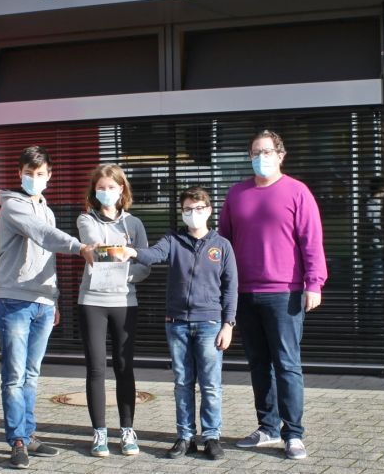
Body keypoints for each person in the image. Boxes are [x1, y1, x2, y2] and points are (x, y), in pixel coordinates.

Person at [218, 129, 327, 461]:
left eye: (266, 151)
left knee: (287, 364)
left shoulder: (297, 191)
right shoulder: (237, 194)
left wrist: (314, 282)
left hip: (285, 293)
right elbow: (223, 243)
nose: (260, 157)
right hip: (245, 292)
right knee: (258, 364)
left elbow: (311, 241)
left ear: (281, 155)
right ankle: (267, 427)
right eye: (255, 152)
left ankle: (293, 434)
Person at [0, 146, 95, 470]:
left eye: (40, 174)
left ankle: (29, 433)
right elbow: (43, 236)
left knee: (32, 376)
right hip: (15, 300)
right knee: (14, 376)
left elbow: (47, 259)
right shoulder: (12, 206)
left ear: (49, 175)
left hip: (42, 302)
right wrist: (79, 247)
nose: (34, 179)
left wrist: (54, 301)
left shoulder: (47, 209)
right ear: (19, 173)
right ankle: (17, 442)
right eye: (29, 173)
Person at [122, 186, 237, 461]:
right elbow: (152, 254)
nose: (193, 214)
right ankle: (185, 436)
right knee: (182, 382)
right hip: (177, 324)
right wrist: (131, 251)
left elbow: (231, 287)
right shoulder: (173, 240)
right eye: (187, 209)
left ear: (209, 210)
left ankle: (211, 437)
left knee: (210, 384)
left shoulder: (222, 246)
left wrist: (228, 324)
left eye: (198, 208)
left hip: (210, 323)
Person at [76, 164, 151, 457]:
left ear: (122, 190)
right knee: (96, 368)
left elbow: (144, 264)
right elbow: (95, 247)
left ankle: (127, 430)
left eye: (112, 187)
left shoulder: (135, 224)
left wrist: (125, 272)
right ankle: (99, 433)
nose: (107, 192)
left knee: (124, 367)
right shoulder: (86, 219)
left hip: (125, 301)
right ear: (95, 191)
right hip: (92, 301)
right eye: (102, 188)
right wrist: (121, 253)